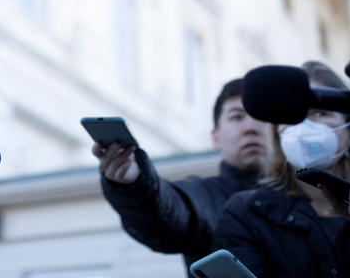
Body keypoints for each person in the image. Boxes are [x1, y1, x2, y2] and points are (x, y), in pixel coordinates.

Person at [214, 61, 350, 278]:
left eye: (320, 113)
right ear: (278, 131)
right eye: (294, 113)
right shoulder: (246, 214)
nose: (303, 126)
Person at [93, 78, 267, 274]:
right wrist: (136, 185)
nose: (250, 127)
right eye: (236, 117)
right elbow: (168, 210)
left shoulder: (306, 193)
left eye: (260, 116)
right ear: (215, 137)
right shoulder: (202, 196)